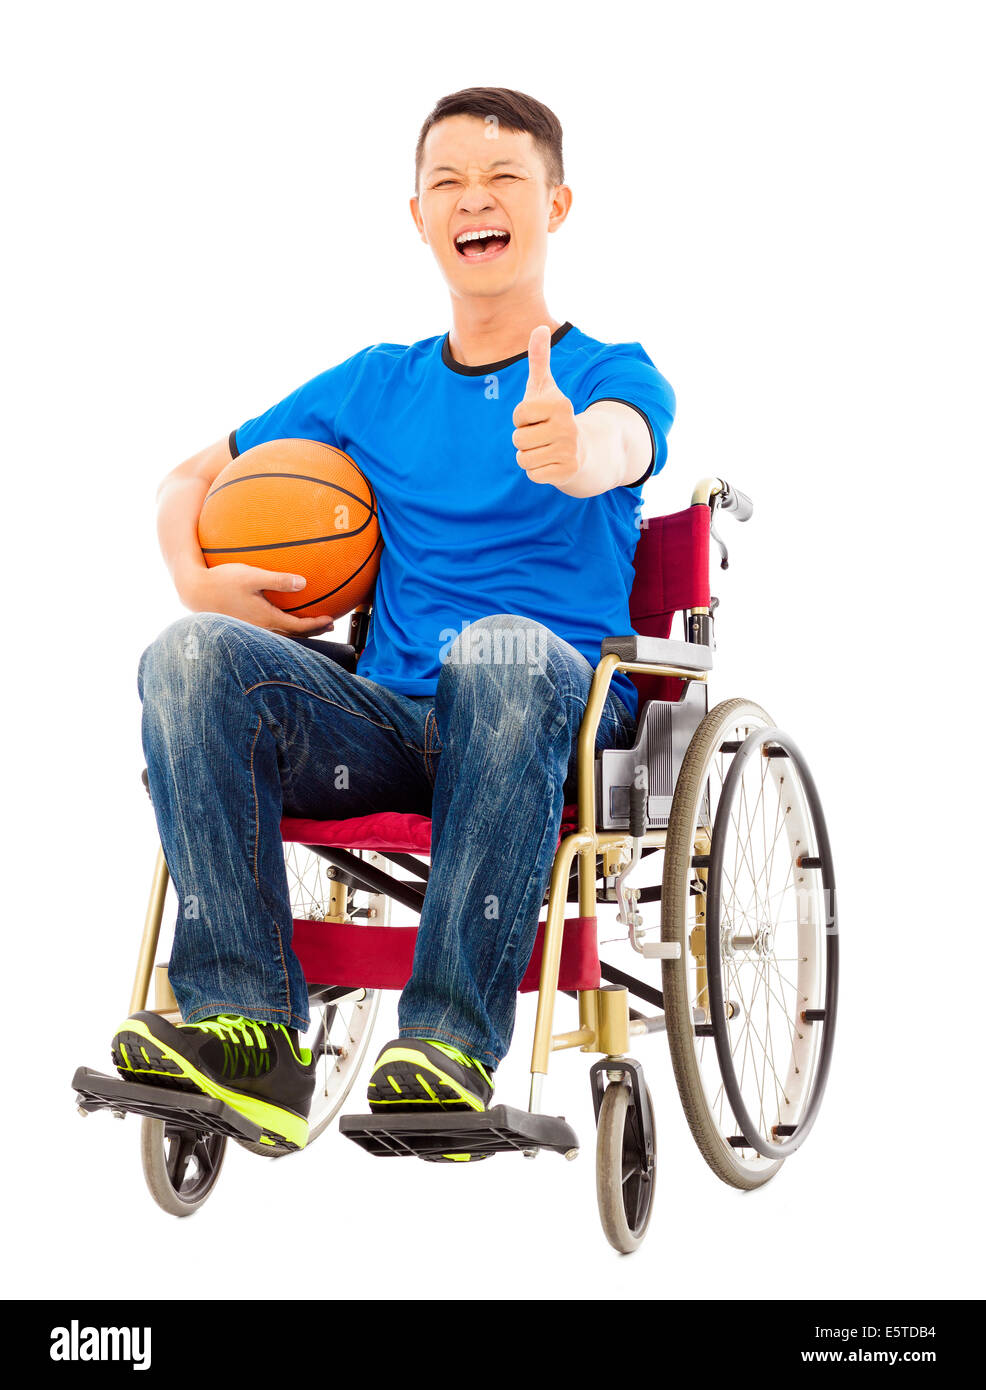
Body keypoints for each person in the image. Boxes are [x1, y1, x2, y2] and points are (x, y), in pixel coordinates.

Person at [111, 86, 676, 1153]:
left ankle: (448, 1044)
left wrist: (575, 449)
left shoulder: (607, 374)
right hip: (393, 721)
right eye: (448, 182)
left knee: (494, 647)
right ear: (417, 215)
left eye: (505, 178)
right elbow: (187, 476)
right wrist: (195, 578)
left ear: (554, 205)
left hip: (547, 719)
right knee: (187, 657)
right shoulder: (374, 385)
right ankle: (248, 1030)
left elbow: (621, 445)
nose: (476, 198)